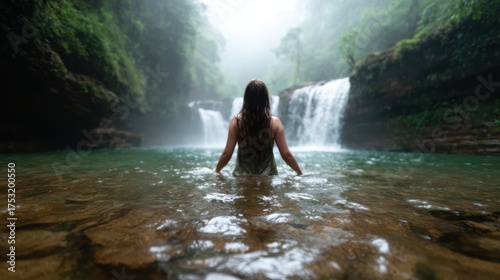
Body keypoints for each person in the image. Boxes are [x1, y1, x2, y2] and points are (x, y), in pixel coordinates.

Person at [214, 79, 303, 176]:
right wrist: (299, 172)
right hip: (267, 178)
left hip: (242, 178)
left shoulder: (236, 122)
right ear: (265, 99)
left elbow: (227, 153)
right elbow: (286, 155)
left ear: (246, 98)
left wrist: (216, 171)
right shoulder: (275, 123)